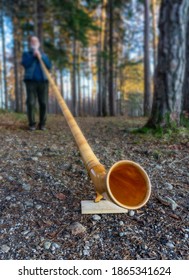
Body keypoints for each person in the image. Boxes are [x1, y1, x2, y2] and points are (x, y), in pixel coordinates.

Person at [21, 36, 52, 131]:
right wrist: (33, 56)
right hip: (31, 81)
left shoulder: (44, 55)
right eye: (32, 41)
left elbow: (49, 65)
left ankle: (42, 124)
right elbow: (25, 64)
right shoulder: (27, 54)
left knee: (43, 103)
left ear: (39, 43)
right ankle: (32, 124)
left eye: (36, 41)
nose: (34, 42)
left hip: (43, 82)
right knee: (31, 102)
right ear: (30, 43)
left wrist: (40, 56)